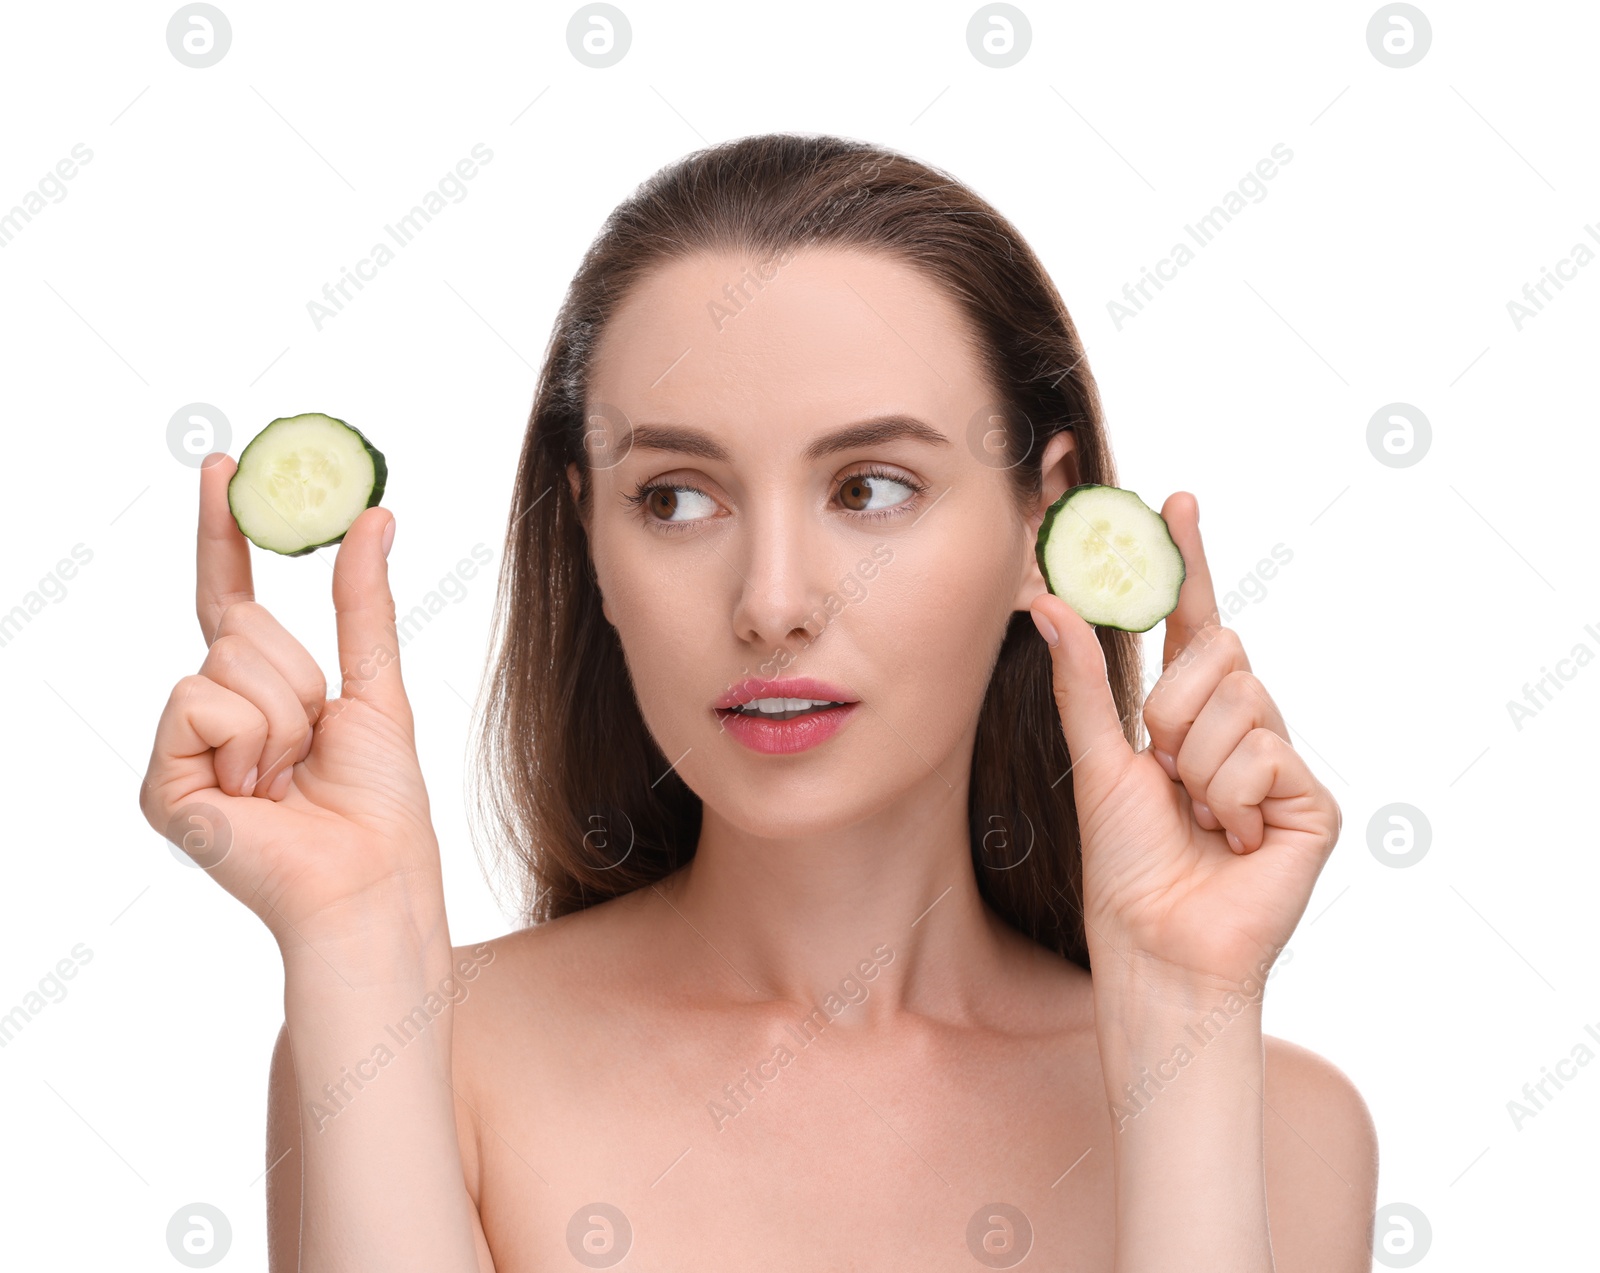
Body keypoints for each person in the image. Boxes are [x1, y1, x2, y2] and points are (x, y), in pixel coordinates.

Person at [142, 133, 1376, 1271]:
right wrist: (358, 939)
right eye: (677, 498)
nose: (771, 603)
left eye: (871, 488)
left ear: (1040, 520)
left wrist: (1181, 1016)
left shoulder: (1280, 1124)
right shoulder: (409, 1046)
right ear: (589, 537)